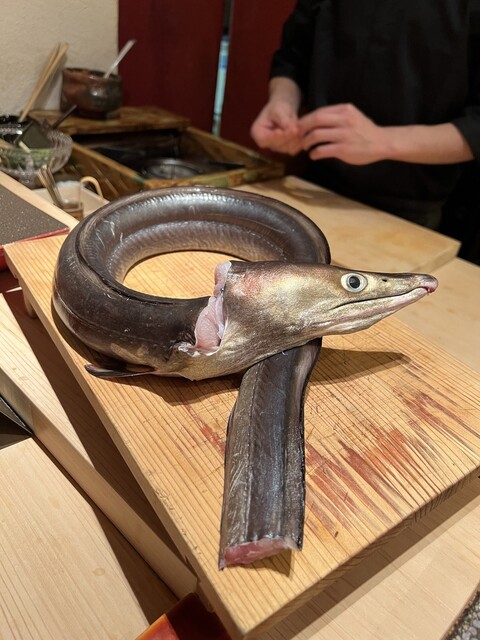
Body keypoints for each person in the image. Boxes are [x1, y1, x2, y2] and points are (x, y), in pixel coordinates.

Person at [251, 0, 480, 229]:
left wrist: (382, 141)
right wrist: (283, 102)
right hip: (313, 180)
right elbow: (293, 57)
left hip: (412, 205)